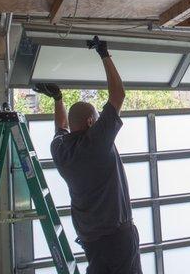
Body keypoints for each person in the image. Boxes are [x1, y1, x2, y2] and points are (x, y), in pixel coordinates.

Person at [33, 36, 142, 274]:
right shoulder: (96, 143)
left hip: (91, 240)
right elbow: (118, 96)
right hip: (117, 239)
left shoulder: (60, 149)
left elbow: (60, 127)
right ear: (92, 121)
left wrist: (58, 99)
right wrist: (105, 53)